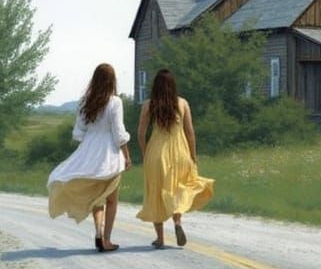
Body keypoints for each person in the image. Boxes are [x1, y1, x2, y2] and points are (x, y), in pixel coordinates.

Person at [47, 63, 132, 251]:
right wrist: (127, 156)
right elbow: (119, 134)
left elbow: (78, 133)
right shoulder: (115, 102)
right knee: (111, 199)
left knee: (97, 197)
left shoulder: (85, 101)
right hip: (110, 154)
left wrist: (87, 149)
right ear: (112, 80)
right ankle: (107, 239)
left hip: (90, 151)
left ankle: (98, 232)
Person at [136, 69, 214, 248]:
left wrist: (145, 152)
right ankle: (177, 222)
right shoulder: (182, 103)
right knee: (177, 190)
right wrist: (193, 156)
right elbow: (190, 133)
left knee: (156, 193)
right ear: (173, 86)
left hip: (157, 153)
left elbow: (140, 133)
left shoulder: (148, 105)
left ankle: (160, 238)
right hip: (180, 153)